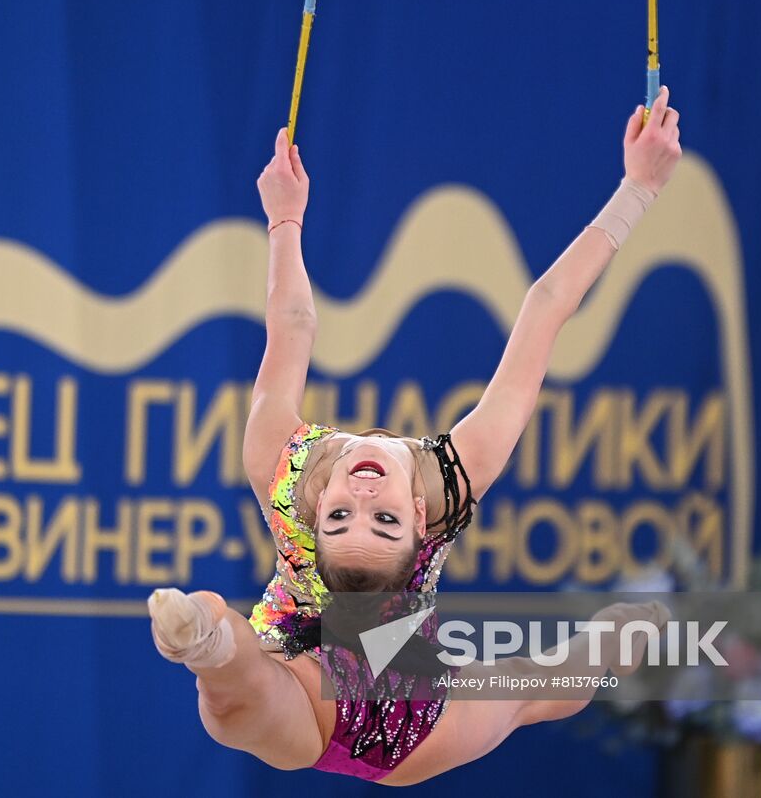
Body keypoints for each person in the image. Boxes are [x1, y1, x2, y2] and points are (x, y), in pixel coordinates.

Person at [149, 87, 684, 783]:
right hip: (416, 725)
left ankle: (208, 641)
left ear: (313, 519)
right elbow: (545, 309)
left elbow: (294, 325)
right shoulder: (452, 479)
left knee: (240, 703)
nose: (363, 491)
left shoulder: (283, 469)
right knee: (557, 680)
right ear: (422, 522)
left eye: (342, 516)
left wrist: (284, 218)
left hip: (297, 678)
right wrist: (638, 190)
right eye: (385, 518)